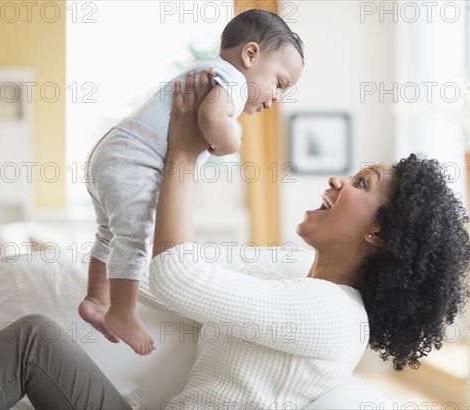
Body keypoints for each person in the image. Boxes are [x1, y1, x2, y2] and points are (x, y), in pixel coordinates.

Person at [0, 70, 470, 410]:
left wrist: (183, 154)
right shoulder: (299, 280)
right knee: (37, 339)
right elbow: (188, 268)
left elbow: (180, 275)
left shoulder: (335, 315)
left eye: (361, 184)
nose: (338, 180)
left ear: (378, 236)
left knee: (32, 342)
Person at [78, 9, 305, 356]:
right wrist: (231, 141)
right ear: (250, 54)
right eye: (279, 83)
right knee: (135, 234)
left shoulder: (204, 70)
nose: (276, 98)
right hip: (133, 158)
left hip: (112, 152)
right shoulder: (230, 79)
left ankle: (96, 298)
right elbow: (213, 117)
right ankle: (122, 311)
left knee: (109, 233)